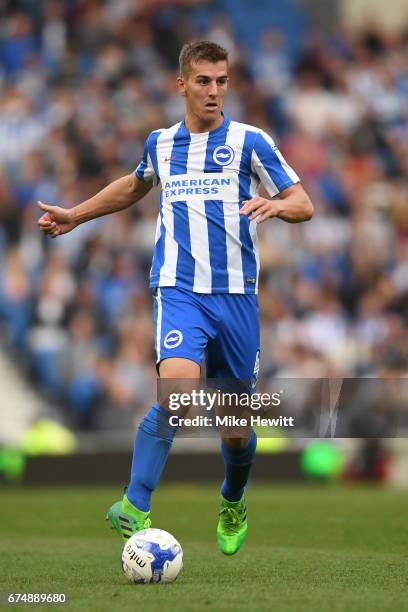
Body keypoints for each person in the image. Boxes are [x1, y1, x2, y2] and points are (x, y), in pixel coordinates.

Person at [37, 40, 313, 555]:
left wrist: (278, 208)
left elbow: (304, 202)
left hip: (235, 297)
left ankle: (232, 498)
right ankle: (135, 503)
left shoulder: (252, 141)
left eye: (222, 81)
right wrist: (75, 214)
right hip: (178, 288)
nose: (214, 91)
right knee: (178, 394)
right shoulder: (161, 143)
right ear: (181, 85)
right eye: (204, 81)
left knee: (235, 430)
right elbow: (134, 186)